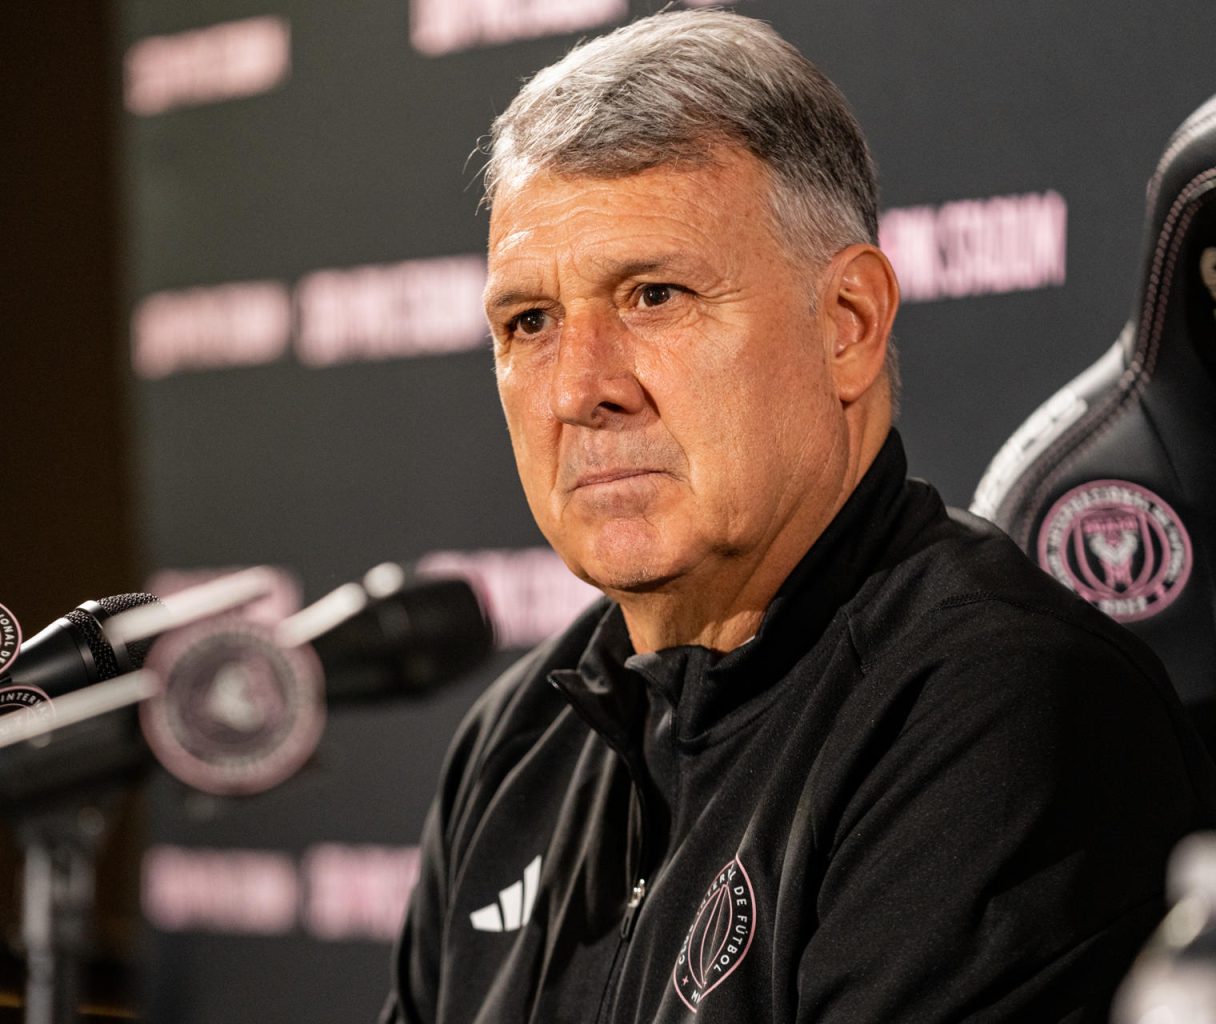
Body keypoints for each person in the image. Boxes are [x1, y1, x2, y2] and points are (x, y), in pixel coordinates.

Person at [380, 10, 1216, 1023]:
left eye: (653, 295)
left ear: (848, 326)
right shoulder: (514, 743)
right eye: (530, 322)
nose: (579, 388)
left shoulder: (999, 711)